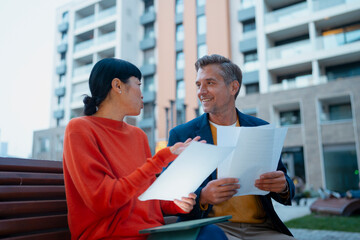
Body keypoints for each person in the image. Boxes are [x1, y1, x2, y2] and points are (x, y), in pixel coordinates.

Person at [63, 58, 227, 240]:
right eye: (138, 84)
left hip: (151, 233)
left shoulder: (138, 135)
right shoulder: (79, 129)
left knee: (212, 232)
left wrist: (176, 203)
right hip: (110, 236)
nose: (142, 94)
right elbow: (104, 201)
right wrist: (161, 158)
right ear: (117, 85)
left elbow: (146, 199)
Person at [167, 54, 296, 240]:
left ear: (233, 87)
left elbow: (285, 182)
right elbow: (171, 194)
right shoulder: (182, 134)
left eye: (210, 83)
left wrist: (283, 185)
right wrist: (202, 196)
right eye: (198, 84)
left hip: (262, 228)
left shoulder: (260, 128)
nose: (201, 91)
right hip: (211, 227)